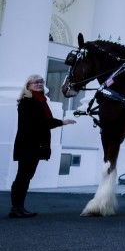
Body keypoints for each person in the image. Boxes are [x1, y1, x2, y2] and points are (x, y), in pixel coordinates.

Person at [10, 75, 76, 218]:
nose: (39, 84)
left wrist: (61, 122)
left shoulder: (40, 101)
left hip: (34, 145)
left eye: (41, 82)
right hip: (28, 145)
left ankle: (19, 207)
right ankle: (16, 208)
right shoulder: (27, 102)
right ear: (28, 85)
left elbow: (44, 122)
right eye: (36, 82)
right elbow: (39, 123)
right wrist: (61, 122)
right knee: (22, 177)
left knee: (26, 177)